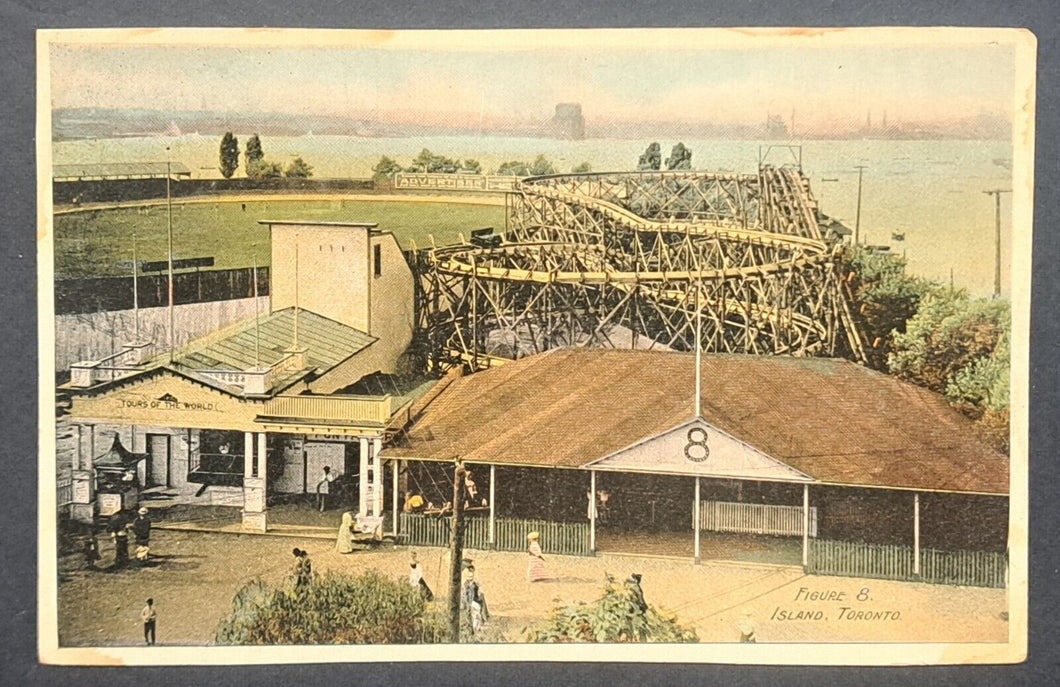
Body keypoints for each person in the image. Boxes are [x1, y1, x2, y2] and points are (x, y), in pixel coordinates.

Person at [461, 564, 488, 634]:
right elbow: (465, 593)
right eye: (470, 570)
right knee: (474, 615)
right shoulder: (467, 583)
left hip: (473, 601)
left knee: (475, 615)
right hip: (471, 601)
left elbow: (478, 592)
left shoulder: (472, 583)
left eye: (472, 570)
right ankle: (474, 628)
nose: (471, 571)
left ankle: (475, 628)